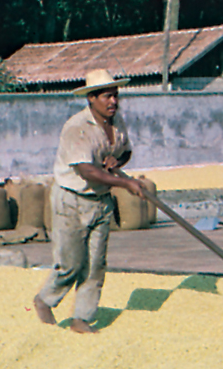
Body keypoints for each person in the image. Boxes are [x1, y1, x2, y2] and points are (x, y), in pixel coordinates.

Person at [33, 68, 146, 333]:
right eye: (107, 97)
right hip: (72, 200)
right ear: (91, 98)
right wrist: (126, 183)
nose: (113, 102)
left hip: (101, 201)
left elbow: (125, 151)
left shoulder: (117, 123)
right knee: (71, 263)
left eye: (116, 96)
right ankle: (44, 300)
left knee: (95, 264)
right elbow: (87, 171)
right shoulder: (77, 127)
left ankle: (81, 318)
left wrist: (117, 161)